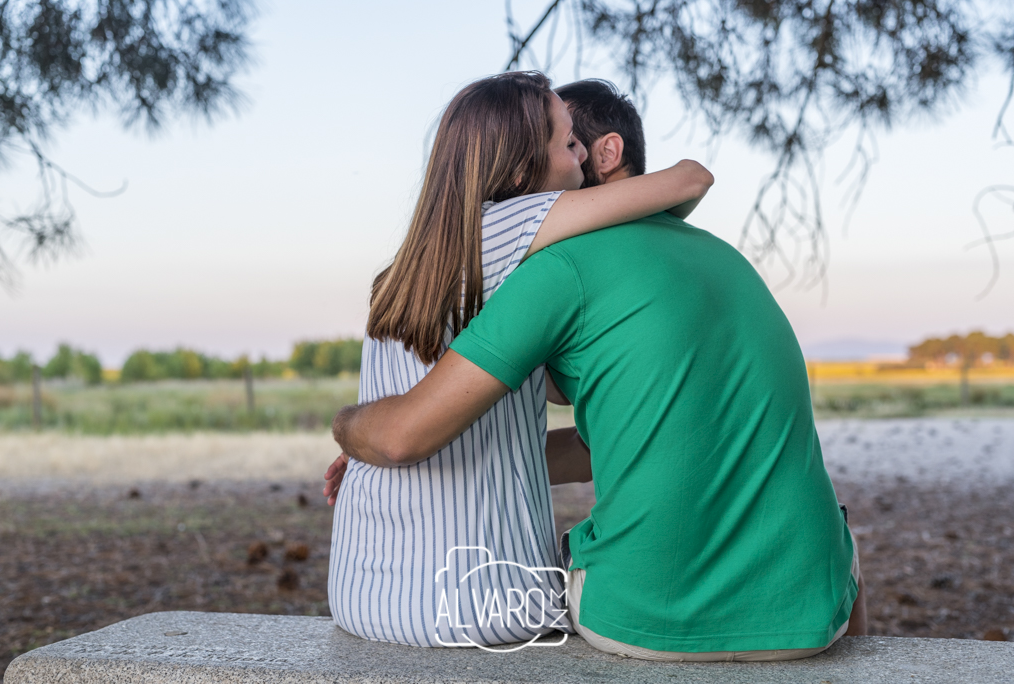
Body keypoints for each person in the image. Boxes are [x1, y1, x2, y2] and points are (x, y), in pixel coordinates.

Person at [328, 79, 866, 660]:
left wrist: (353, 432)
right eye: (565, 148)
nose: (576, 158)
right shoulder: (721, 255)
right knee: (841, 542)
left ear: (606, 153)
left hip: (644, 618)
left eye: (575, 143)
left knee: (558, 570)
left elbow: (405, 434)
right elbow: (644, 432)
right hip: (813, 606)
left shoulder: (553, 266)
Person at [324, 71, 714, 648]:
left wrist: (360, 448)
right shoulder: (516, 223)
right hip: (480, 603)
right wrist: (349, 429)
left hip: (365, 593)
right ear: (516, 175)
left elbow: (515, 421)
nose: (581, 155)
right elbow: (690, 179)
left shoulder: (406, 272)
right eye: (567, 143)